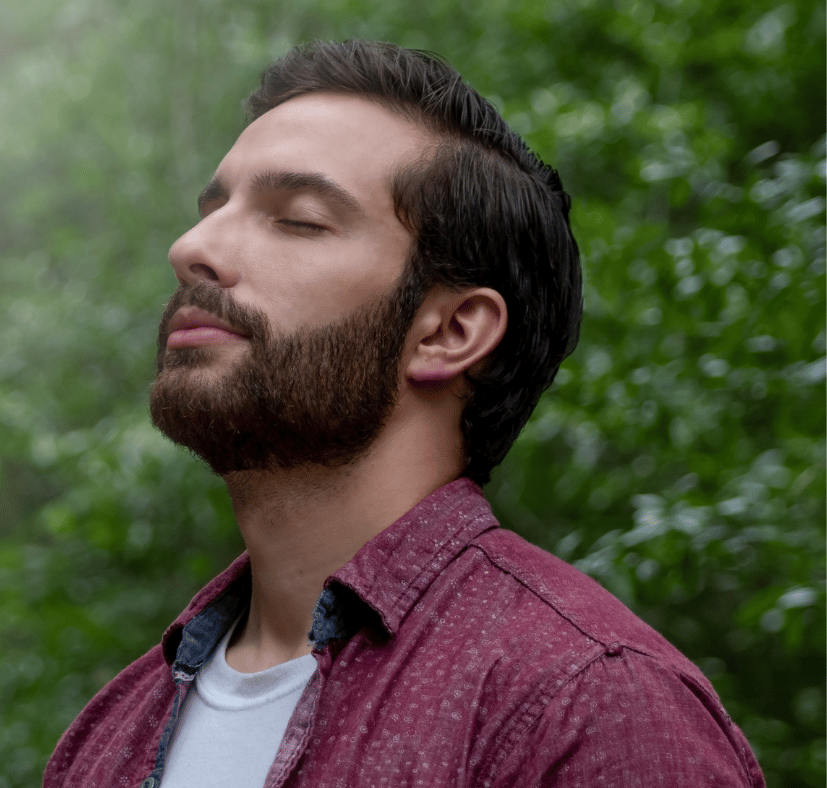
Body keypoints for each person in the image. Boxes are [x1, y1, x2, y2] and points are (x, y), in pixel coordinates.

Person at [43, 40, 765, 788]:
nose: (191, 247)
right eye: (214, 209)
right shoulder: (107, 736)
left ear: (449, 332)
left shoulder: (587, 704)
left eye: (297, 220)